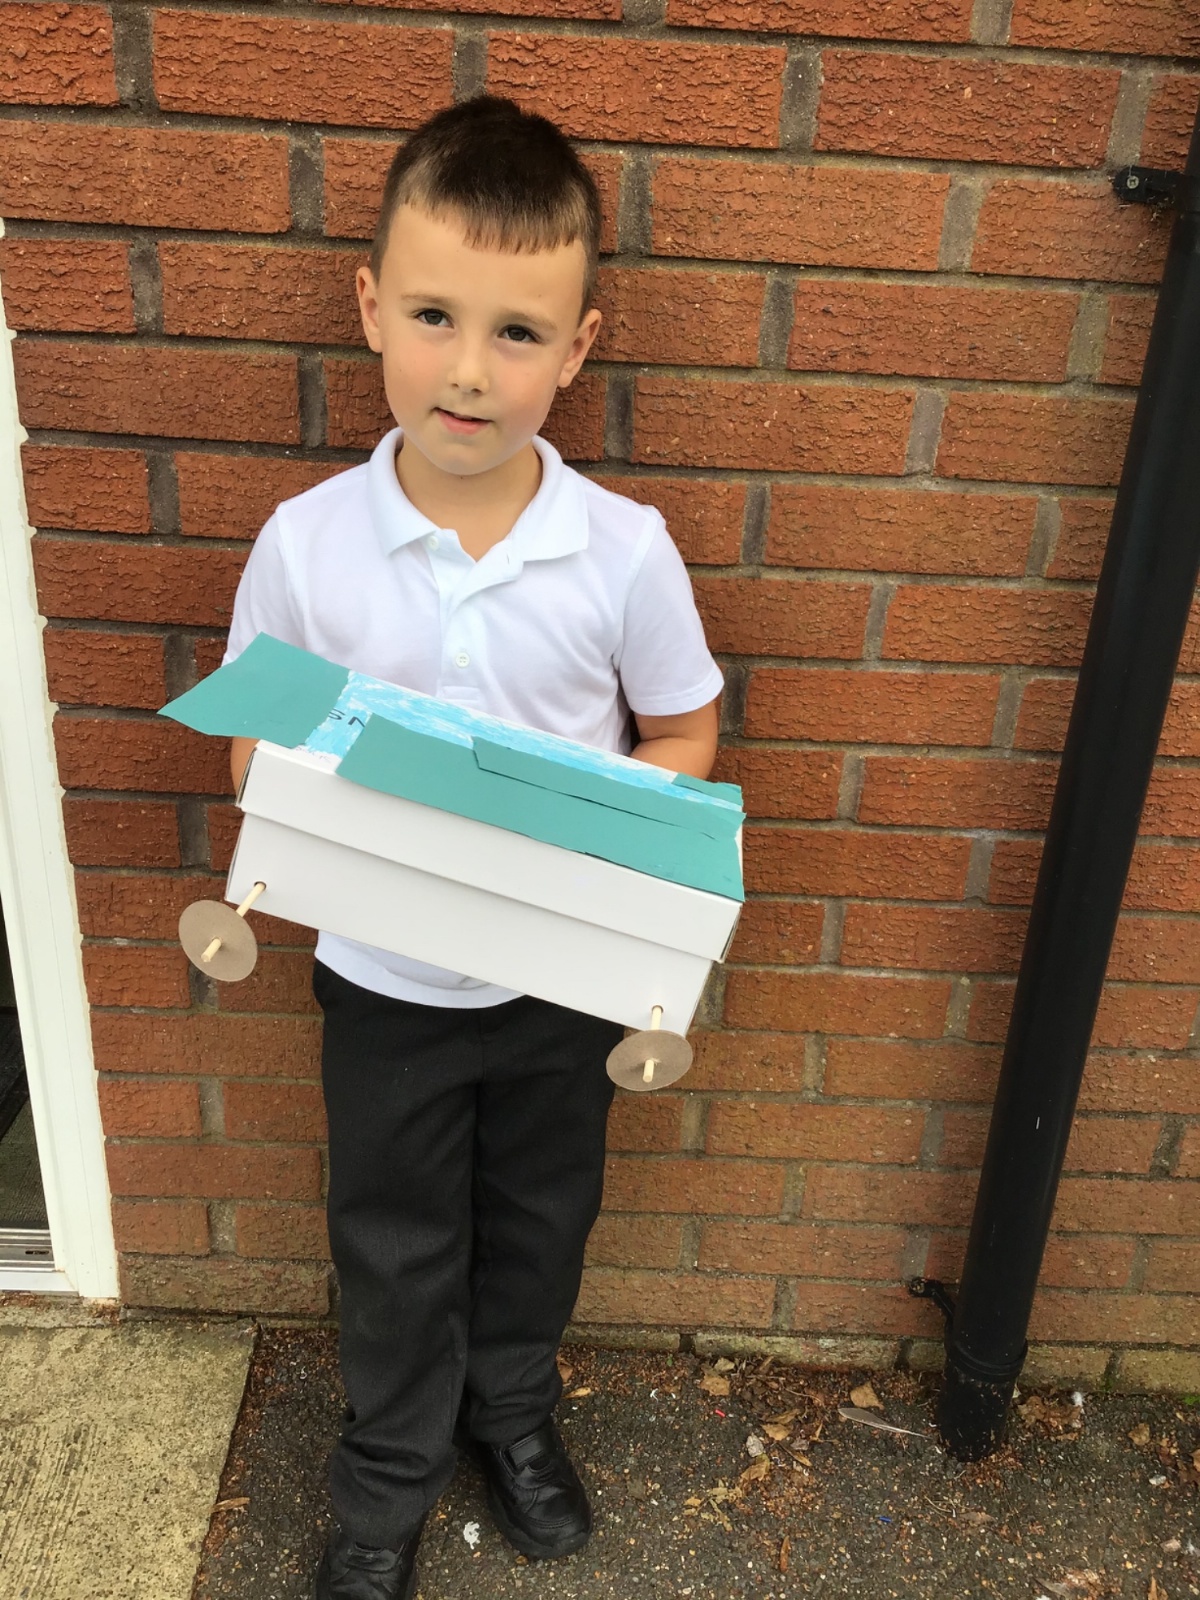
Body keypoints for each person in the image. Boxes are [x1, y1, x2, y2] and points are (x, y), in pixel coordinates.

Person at [223, 95, 724, 1600]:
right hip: (381, 986)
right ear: (370, 307)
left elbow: (683, 730)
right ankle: (387, 1474)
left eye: (518, 333)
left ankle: (509, 1414)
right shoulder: (307, 545)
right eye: (435, 316)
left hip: (557, 987)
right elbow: (254, 753)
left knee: (541, 1220)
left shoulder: (620, 550)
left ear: (577, 348)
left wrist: (602, 854)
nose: (467, 369)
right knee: (390, 1239)